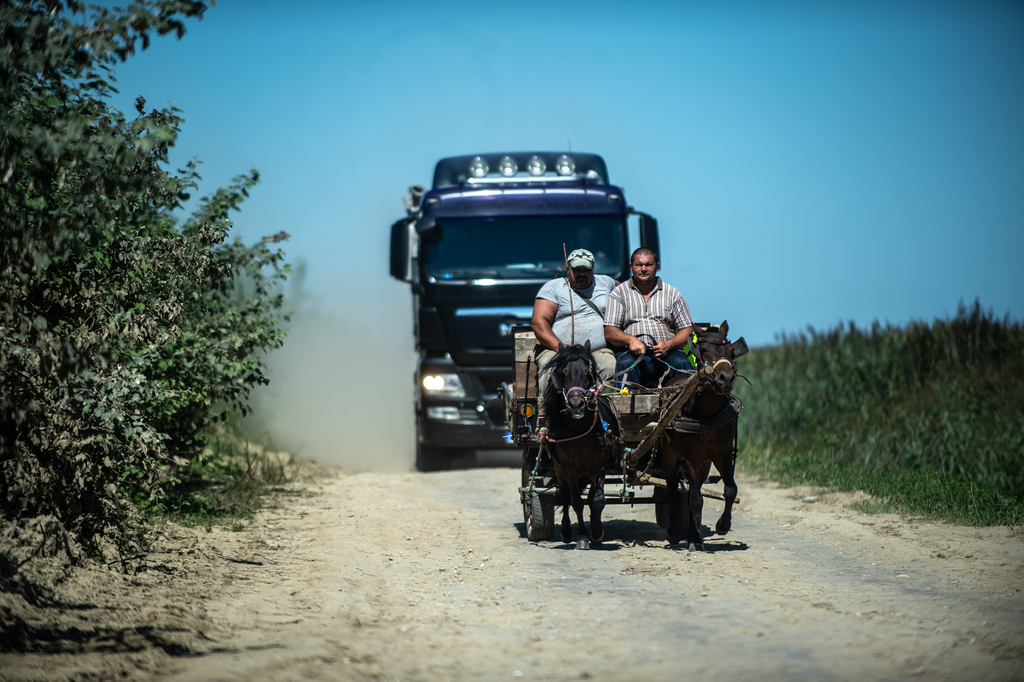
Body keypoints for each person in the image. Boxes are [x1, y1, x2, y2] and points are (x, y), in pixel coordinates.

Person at [531, 248, 618, 398]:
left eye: (586, 269)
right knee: (548, 368)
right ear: (568, 268)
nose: (582, 273)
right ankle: (547, 416)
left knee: (609, 365)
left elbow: (629, 292)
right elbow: (539, 322)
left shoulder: (607, 283)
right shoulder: (553, 288)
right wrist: (562, 349)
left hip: (596, 351)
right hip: (558, 351)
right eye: (577, 269)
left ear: (593, 268)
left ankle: (603, 414)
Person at [604, 247, 696, 388]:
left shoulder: (672, 293)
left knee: (681, 362)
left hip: (667, 355)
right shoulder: (619, 293)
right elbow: (610, 331)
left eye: (649, 264)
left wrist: (668, 345)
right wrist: (631, 340)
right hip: (632, 355)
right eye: (639, 265)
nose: (644, 269)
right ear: (631, 266)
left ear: (657, 266)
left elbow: (687, 330)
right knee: (624, 363)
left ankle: (687, 407)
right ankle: (627, 408)